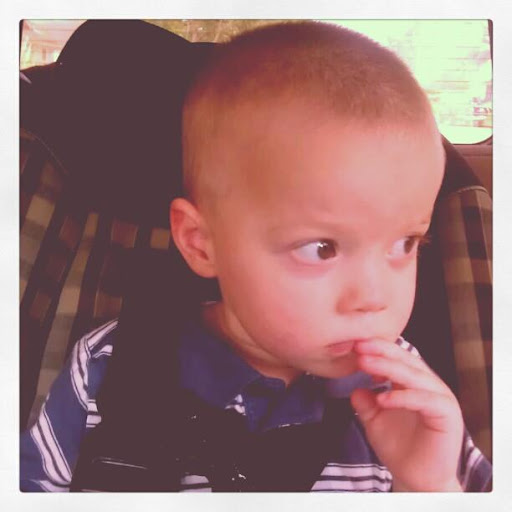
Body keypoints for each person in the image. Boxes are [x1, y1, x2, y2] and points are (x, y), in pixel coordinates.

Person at [20, 21, 491, 492]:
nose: (374, 298)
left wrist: (429, 485)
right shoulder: (109, 367)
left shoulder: (410, 396)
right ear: (200, 243)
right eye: (321, 248)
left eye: (405, 244)